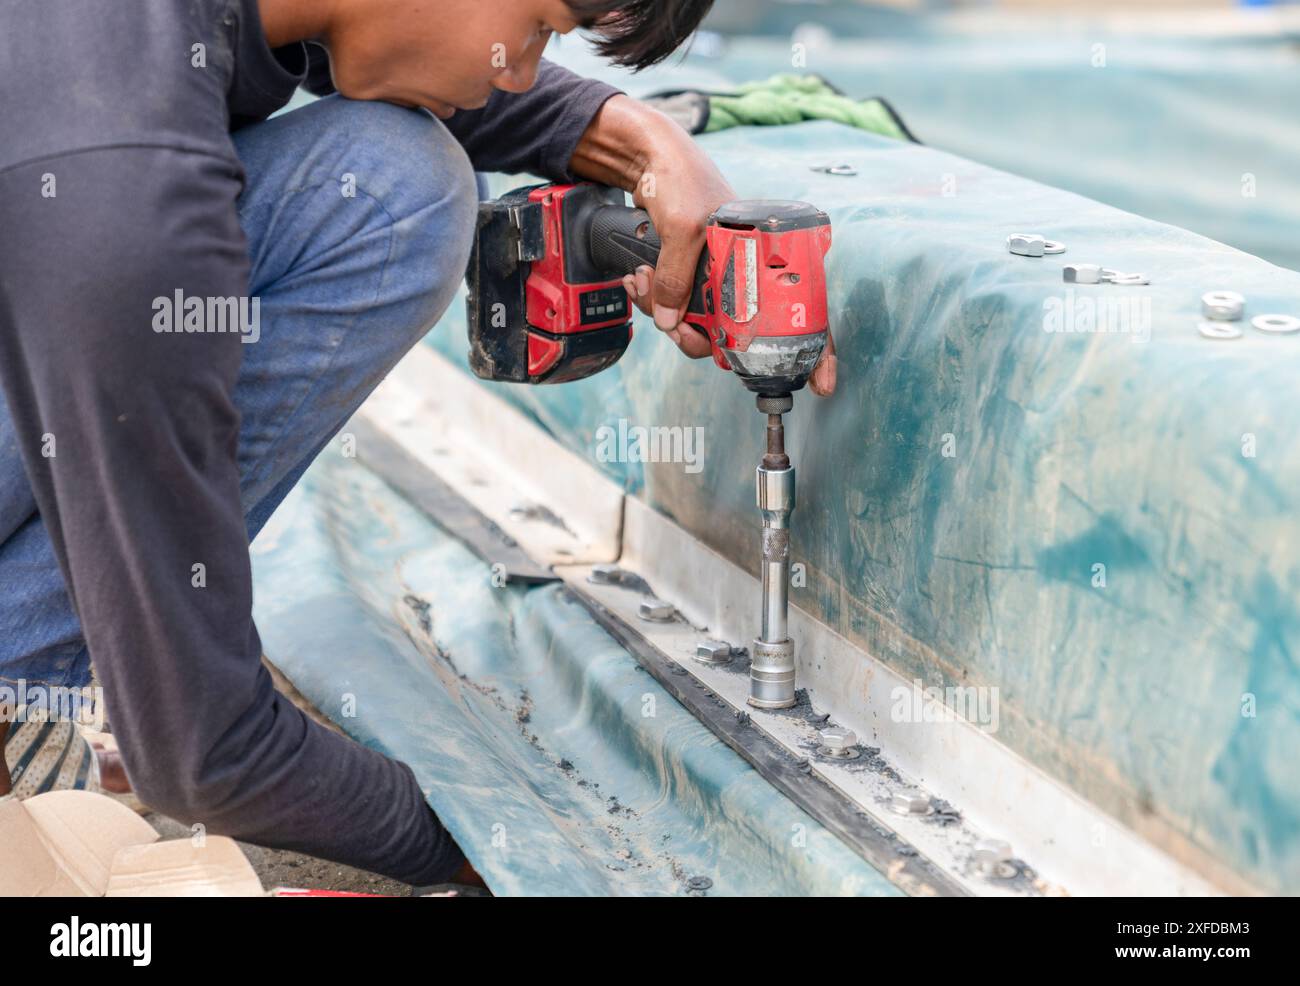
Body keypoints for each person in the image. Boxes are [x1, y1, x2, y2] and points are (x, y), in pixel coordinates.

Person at [0, 0, 835, 888]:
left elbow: (420, 47)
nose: (518, 69)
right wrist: (501, 845)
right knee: (395, 197)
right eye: (544, 23)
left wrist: (643, 144)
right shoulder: (116, 169)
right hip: (99, 219)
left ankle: (21, 687)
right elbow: (203, 751)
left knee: (391, 180)